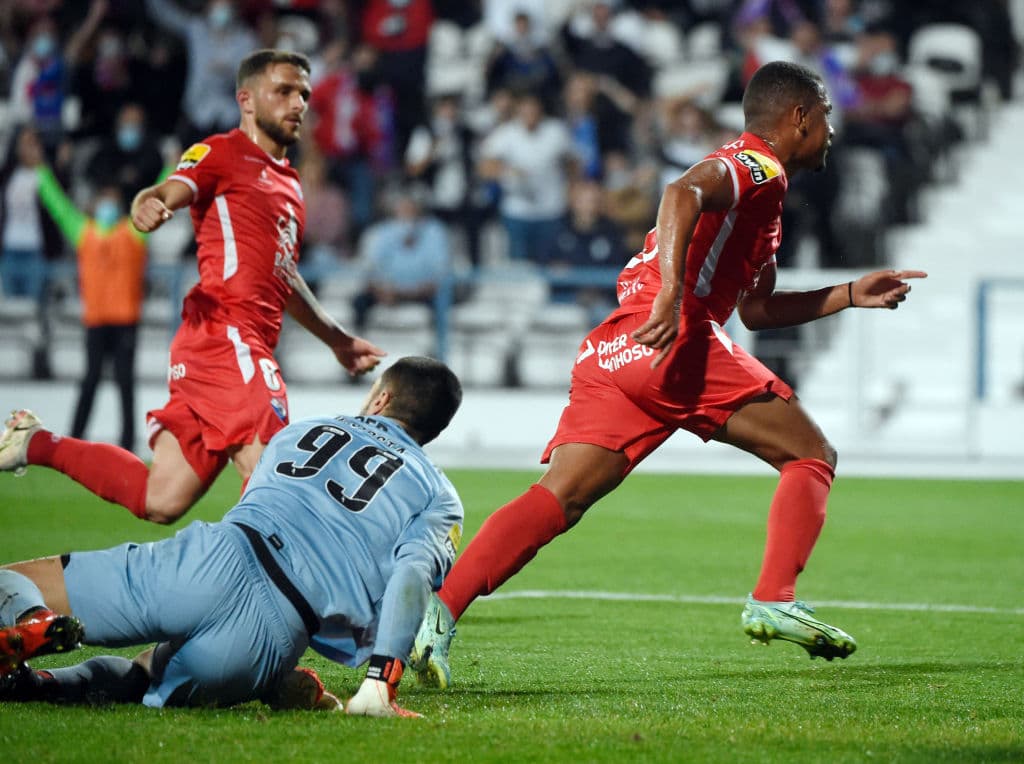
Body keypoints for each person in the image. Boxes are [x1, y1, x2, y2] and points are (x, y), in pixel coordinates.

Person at [409, 61, 928, 688]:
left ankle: (438, 613)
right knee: (812, 454)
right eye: (825, 118)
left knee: (560, 495)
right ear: (799, 118)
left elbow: (758, 311)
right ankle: (773, 596)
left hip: (618, 349)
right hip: (670, 339)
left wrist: (848, 291)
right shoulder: (755, 164)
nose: (832, 131)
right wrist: (673, 296)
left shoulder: (767, 198)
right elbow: (680, 191)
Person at [0, 49, 385, 525]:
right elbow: (172, 188)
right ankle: (274, 594)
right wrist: (149, 201)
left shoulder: (289, 182)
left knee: (160, 498)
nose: (298, 103)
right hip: (226, 335)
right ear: (246, 99)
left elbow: (281, 276)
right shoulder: (221, 152)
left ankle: (33, 443)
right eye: (283, 91)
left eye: (303, 93)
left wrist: (337, 339)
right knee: (276, 474)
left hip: (228, 347)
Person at [0, 357, 463, 717]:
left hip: (216, 558)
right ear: (436, 429)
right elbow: (412, 576)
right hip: (273, 634)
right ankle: (36, 685)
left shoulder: (305, 430)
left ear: (380, 399)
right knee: (145, 675)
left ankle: (34, 617)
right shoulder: (439, 496)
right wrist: (380, 681)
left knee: (10, 583)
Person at [30, 145, 147, 451]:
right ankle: (75, 438)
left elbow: (156, 204)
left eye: (112, 200)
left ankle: (126, 443)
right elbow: (57, 205)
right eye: (103, 199)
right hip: (97, 320)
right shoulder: (84, 231)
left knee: (125, 384)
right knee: (91, 380)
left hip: (124, 321)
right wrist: (42, 170)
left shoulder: (132, 232)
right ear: (95, 204)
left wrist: (172, 169)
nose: (107, 205)